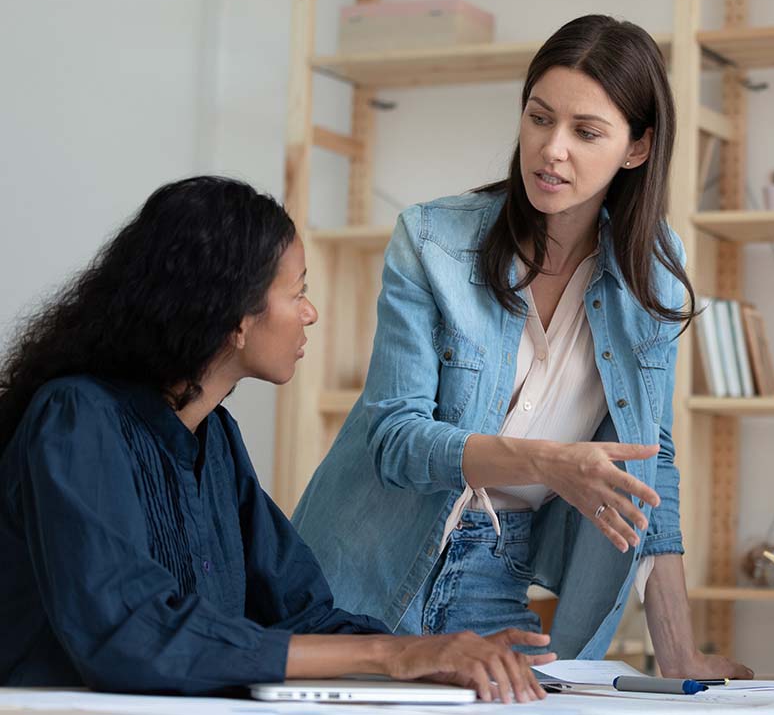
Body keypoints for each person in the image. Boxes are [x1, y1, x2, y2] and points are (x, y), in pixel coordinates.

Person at [292, 14, 751, 678]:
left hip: (493, 563)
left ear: (636, 148)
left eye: (585, 131)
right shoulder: (432, 241)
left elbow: (650, 459)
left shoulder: (653, 266)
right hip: (363, 555)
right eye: (539, 118)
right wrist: (547, 462)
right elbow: (392, 439)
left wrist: (677, 652)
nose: (551, 149)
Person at [0, 176, 553, 702]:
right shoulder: (75, 419)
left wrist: (437, 654)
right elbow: (135, 636)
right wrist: (391, 654)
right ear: (234, 317)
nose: (310, 313)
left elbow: (300, 612)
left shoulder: (214, 435)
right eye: (298, 292)